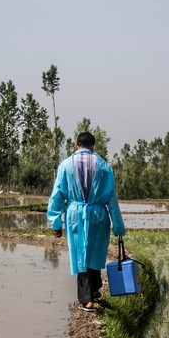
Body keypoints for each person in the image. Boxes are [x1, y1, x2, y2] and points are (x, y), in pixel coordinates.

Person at [47, 131, 126, 311]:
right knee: (95, 252)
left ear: (77, 146)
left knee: (80, 255)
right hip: (98, 214)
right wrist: (118, 226)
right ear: (93, 147)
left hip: (75, 213)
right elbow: (112, 199)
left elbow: (57, 195)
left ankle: (86, 299)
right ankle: (94, 290)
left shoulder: (65, 165)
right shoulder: (104, 167)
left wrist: (55, 222)